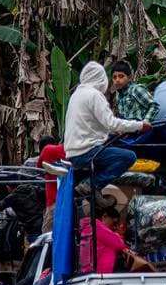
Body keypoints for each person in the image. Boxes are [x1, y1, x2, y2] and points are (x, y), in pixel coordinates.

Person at [62, 61, 150, 190]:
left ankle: (92, 192)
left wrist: (115, 132)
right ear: (102, 78)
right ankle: (92, 185)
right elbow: (111, 123)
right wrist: (140, 125)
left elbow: (92, 123)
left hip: (72, 153)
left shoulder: (76, 95)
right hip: (86, 152)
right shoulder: (94, 95)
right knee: (128, 157)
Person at [78, 200, 154, 274]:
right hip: (102, 271)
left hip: (91, 270)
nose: (114, 227)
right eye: (114, 222)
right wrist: (118, 234)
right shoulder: (98, 227)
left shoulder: (89, 227)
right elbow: (119, 244)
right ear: (104, 216)